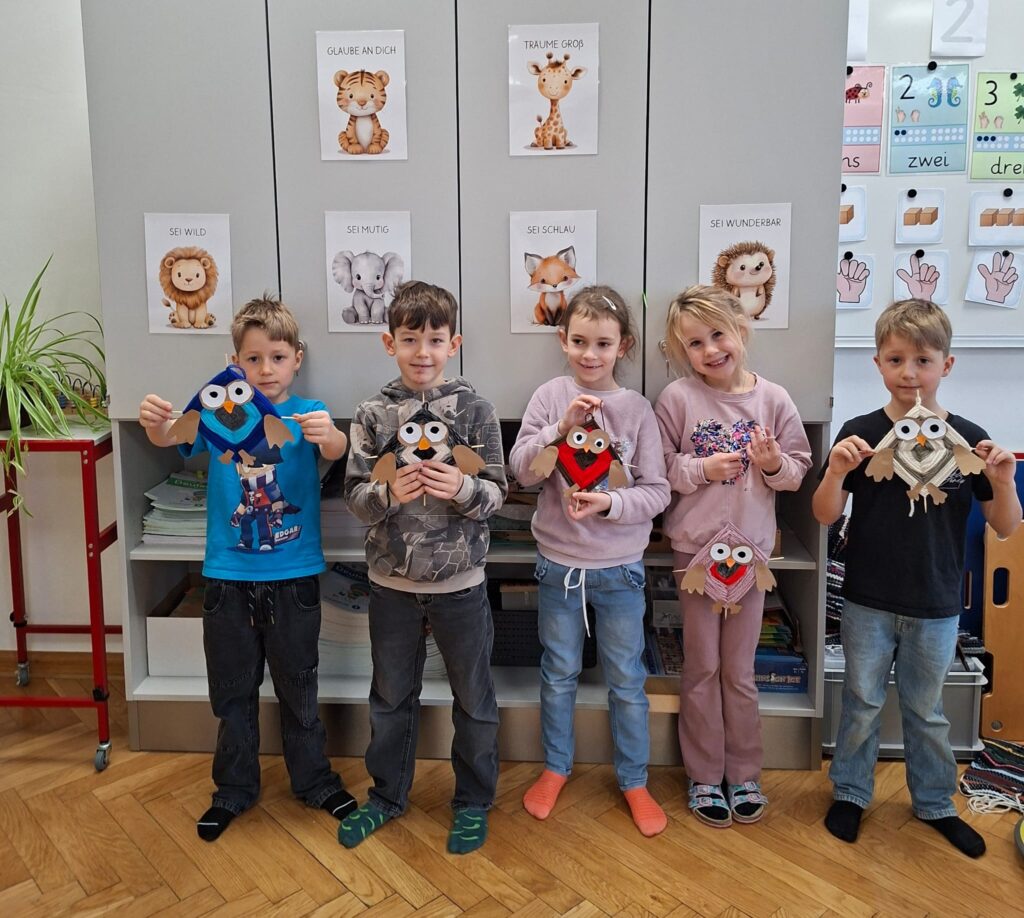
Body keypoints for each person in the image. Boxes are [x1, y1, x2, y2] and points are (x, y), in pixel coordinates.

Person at [138, 294, 354, 841]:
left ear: (297, 359)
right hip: (227, 580)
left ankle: (314, 780)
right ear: (235, 364)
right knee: (232, 693)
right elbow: (170, 437)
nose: (266, 369)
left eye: (277, 357)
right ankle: (234, 788)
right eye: (253, 359)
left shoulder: (305, 412)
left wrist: (330, 434)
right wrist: (155, 425)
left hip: (294, 578)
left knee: (299, 688)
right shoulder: (218, 412)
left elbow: (337, 449)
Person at [813, 298, 1021, 858]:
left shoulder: (969, 439)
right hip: (867, 600)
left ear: (946, 365)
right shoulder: (859, 434)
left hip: (936, 603)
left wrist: (1004, 482)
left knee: (927, 712)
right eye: (896, 359)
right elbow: (824, 515)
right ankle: (851, 792)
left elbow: (1006, 526)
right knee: (861, 701)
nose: (909, 373)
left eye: (923, 360)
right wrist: (835, 471)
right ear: (877, 364)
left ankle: (934, 802)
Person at [340, 280, 508, 855]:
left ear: (453, 343)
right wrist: (388, 494)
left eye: (435, 340)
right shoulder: (370, 414)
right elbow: (356, 500)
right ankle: (386, 796)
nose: (422, 352)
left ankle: (474, 801)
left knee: (474, 699)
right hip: (390, 586)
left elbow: (496, 494)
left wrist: (462, 487)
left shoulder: (477, 411)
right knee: (390, 698)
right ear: (389, 343)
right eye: (410, 339)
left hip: (462, 586)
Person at [509, 285, 671, 836]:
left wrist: (610, 504)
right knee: (558, 673)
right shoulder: (550, 395)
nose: (590, 354)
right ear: (563, 340)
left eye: (603, 343)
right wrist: (558, 428)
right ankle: (556, 767)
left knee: (627, 678)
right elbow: (522, 471)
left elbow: (657, 492)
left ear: (623, 346)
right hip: (559, 566)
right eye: (579, 341)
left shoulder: (638, 410)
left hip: (621, 569)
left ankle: (634, 779)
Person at [655, 284, 811, 828]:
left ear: (741, 332)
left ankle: (744, 772)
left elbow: (796, 472)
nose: (710, 350)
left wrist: (771, 464)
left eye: (718, 335)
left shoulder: (775, 399)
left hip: (750, 557)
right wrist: (702, 468)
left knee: (740, 670)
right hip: (695, 553)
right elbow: (661, 468)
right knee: (701, 666)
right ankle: (704, 775)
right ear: (682, 350)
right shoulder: (677, 398)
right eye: (694, 343)